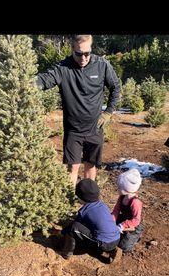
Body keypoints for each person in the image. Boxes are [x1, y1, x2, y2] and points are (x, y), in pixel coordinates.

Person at [36, 35, 120, 186]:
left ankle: (88, 202)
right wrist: (23, 82)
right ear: (72, 50)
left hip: (95, 128)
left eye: (87, 53)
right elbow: (44, 80)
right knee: (72, 167)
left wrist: (108, 112)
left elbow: (115, 88)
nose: (83, 58)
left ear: (91, 49)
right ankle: (68, 202)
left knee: (91, 165)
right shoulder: (63, 68)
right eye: (79, 54)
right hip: (73, 130)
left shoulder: (102, 65)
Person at [61, 178, 121, 261]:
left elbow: (75, 226)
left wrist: (62, 232)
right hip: (117, 238)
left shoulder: (84, 211)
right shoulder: (102, 205)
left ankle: (66, 253)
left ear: (81, 198)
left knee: (73, 228)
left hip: (103, 243)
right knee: (92, 227)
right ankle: (112, 249)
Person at [112, 168, 143, 253]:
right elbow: (116, 210)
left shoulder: (135, 202)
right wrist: (112, 220)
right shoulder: (122, 197)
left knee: (124, 247)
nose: (117, 189)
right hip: (124, 218)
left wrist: (123, 225)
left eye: (119, 187)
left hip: (133, 225)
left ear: (127, 189)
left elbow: (136, 220)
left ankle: (137, 236)